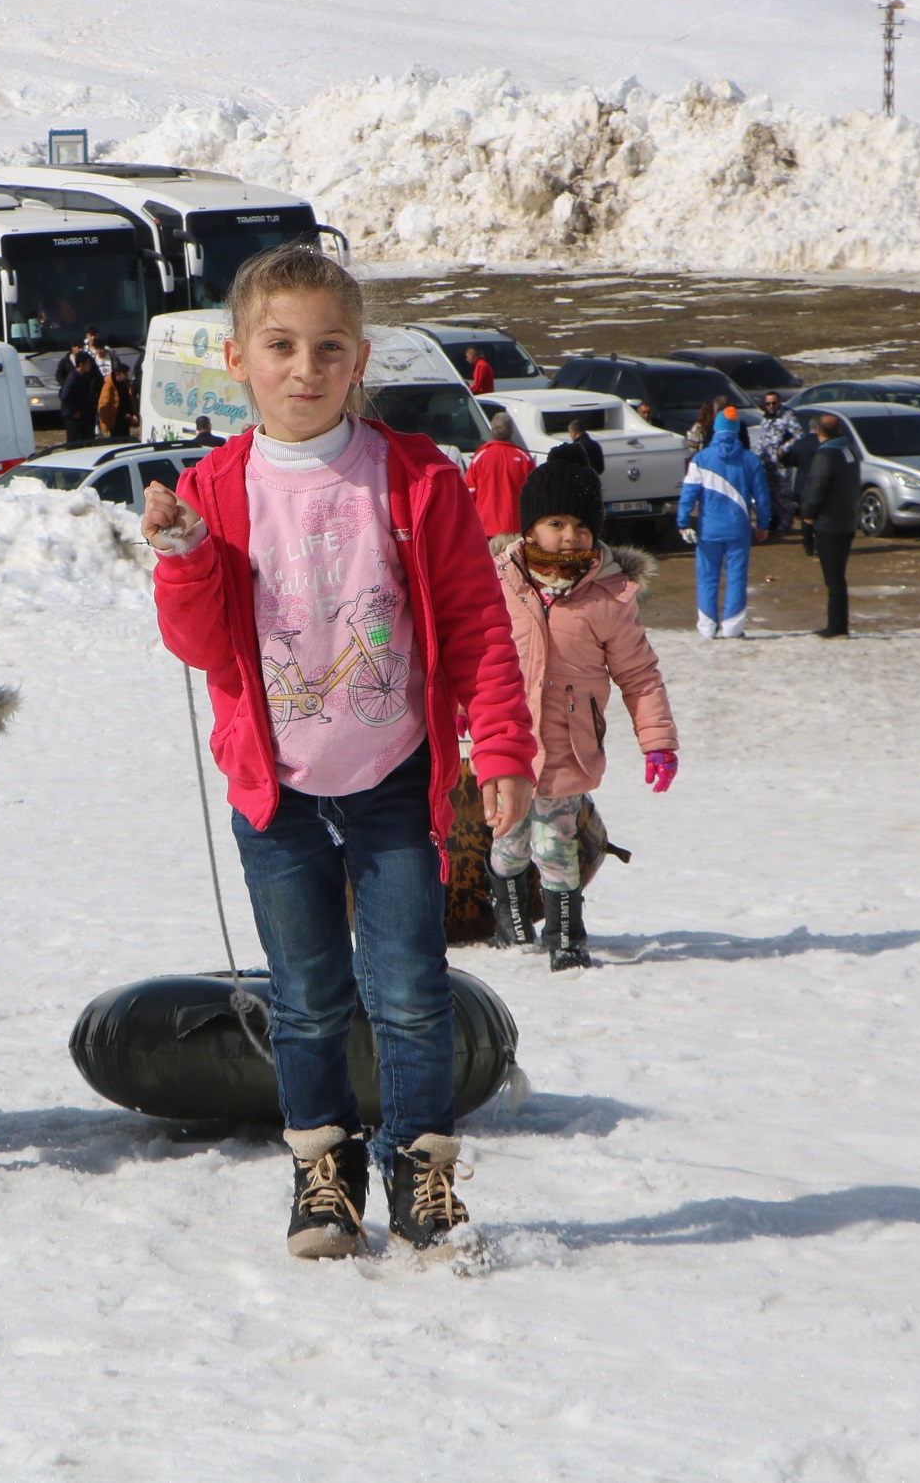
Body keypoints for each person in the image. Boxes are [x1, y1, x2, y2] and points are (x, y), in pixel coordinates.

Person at [141, 243, 534, 1260]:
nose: (303, 368)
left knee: (408, 992)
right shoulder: (214, 489)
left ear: (360, 359)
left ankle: (420, 1171)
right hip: (275, 791)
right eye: (280, 346)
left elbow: (478, 626)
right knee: (307, 997)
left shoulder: (413, 480)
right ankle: (324, 1172)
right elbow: (195, 644)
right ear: (236, 359)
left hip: (394, 777)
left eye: (327, 348)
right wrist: (183, 561)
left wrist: (499, 752)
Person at [489, 460, 677, 970]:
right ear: (529, 528)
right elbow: (472, 657)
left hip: (570, 741)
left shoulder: (610, 597)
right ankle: (508, 914)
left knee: (556, 842)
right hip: (506, 741)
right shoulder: (497, 583)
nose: (569, 537)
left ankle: (567, 936)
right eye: (556, 524)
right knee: (509, 840)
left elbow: (639, 674)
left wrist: (657, 739)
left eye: (582, 527)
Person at [676, 407, 772, 639]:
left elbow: (688, 494)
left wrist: (683, 522)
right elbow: (762, 496)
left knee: (707, 578)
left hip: (709, 530)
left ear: (716, 429)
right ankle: (732, 627)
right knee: (737, 577)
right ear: (737, 430)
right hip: (739, 529)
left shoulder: (700, 459)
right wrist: (764, 524)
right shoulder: (750, 460)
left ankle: (707, 627)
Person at [794, 413, 862, 638]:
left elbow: (816, 486)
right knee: (838, 576)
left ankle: (837, 627)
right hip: (848, 519)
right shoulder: (849, 450)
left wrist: (807, 513)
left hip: (830, 522)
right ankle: (839, 625)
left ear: (819, 432)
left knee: (833, 579)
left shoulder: (825, 455)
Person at [468, 411, 536, 542]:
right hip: (516, 528)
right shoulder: (524, 458)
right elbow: (534, 493)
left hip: (486, 528)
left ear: (492, 432)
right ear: (511, 433)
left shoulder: (480, 456)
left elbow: (470, 493)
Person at [753, 392, 803, 533]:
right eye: (768, 403)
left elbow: (799, 435)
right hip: (767, 463)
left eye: (774, 403)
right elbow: (762, 439)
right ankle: (773, 521)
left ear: (779, 402)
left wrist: (784, 448)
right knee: (770, 494)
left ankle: (786, 524)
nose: (771, 406)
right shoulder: (765, 418)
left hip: (781, 464)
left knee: (783, 495)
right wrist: (755, 458)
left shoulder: (787, 416)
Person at [56, 343, 102, 445]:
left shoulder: (83, 376)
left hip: (83, 415)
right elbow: (64, 396)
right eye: (88, 363)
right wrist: (74, 411)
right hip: (73, 417)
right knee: (74, 444)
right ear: (81, 364)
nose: (90, 365)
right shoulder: (73, 377)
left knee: (88, 440)